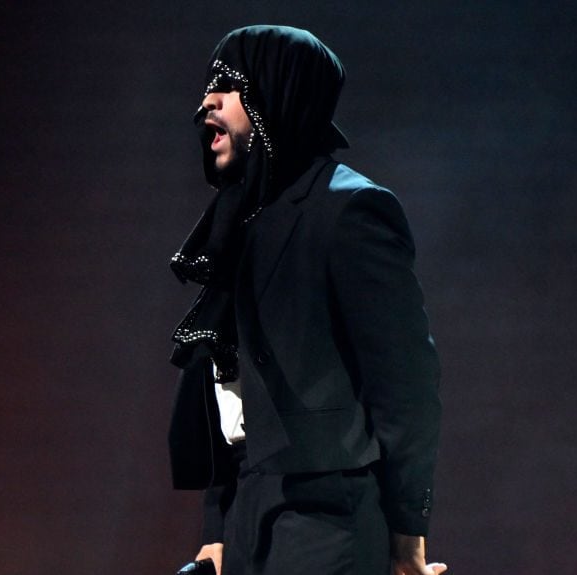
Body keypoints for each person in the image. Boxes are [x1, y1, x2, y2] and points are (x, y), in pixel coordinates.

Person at [167, 25, 445, 575]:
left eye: (228, 83)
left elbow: (406, 384)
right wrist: (219, 527)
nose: (206, 102)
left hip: (326, 515)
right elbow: (228, 380)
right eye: (207, 85)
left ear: (278, 92)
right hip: (250, 507)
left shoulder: (352, 210)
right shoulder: (238, 219)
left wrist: (408, 535)